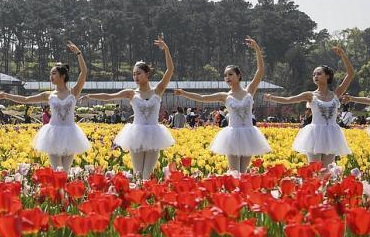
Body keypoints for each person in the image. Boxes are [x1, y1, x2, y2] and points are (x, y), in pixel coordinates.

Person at [84, 36, 176, 179]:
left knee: (147, 174)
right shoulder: (131, 93)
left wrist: (166, 49)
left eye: (138, 73)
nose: (135, 76)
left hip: (154, 134)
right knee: (138, 174)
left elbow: (170, 70)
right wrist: (90, 96)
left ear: (147, 74)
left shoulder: (158, 90)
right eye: (133, 74)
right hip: (136, 134)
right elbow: (109, 97)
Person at [175, 37, 270, 174]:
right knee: (234, 172)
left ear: (239, 76)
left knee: (243, 173)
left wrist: (256, 48)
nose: (227, 78)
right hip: (232, 134)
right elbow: (202, 98)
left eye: (230, 74)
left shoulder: (250, 90)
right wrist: (184, 93)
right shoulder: (225, 96)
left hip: (250, 134)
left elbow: (260, 71)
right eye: (225, 76)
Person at [0, 42, 90, 172]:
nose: (51, 76)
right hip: (53, 133)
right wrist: (7, 96)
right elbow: (26, 100)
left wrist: (78, 53)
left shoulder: (73, 92)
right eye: (51, 74)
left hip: (70, 134)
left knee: (65, 172)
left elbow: (84, 73)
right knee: (56, 169)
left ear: (63, 76)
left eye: (54, 73)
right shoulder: (48, 95)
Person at [264, 46, 355, 166]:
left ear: (327, 76)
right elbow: (289, 99)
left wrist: (343, 55)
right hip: (315, 134)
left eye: (319, 73)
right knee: (314, 170)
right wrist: (272, 97)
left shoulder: (336, 94)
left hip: (332, 135)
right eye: (314, 74)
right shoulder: (310, 95)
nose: (315, 76)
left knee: (327, 171)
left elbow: (350, 74)